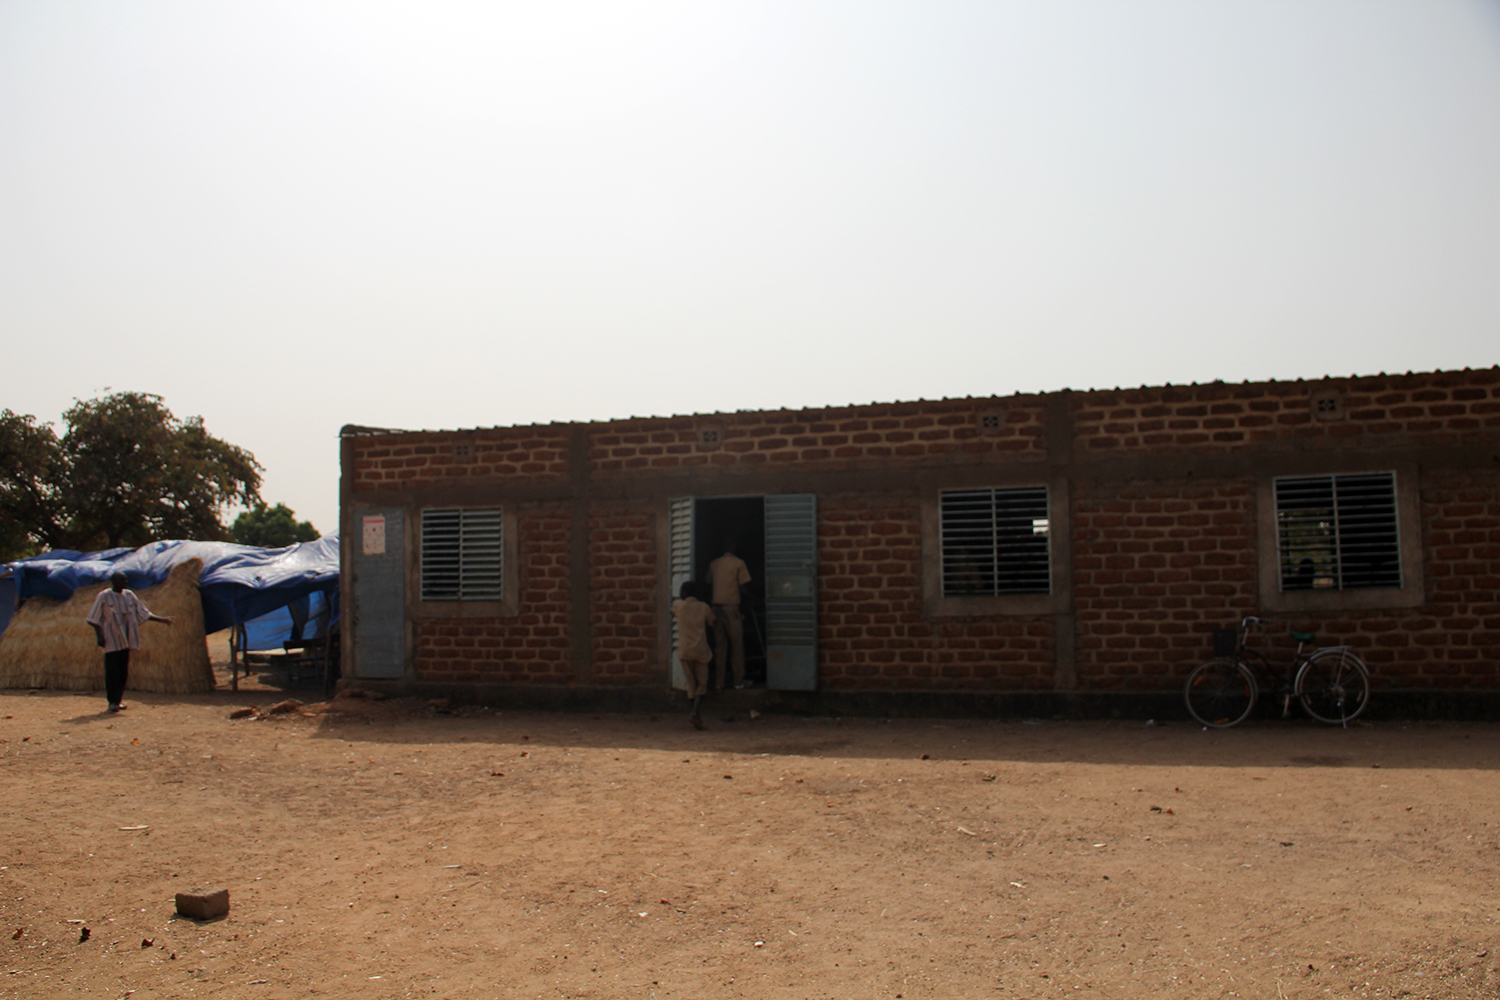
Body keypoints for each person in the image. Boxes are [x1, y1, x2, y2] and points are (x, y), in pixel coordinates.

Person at [85, 571, 173, 713]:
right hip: (111, 639)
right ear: (113, 582)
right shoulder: (104, 596)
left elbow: (143, 612)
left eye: (125, 580)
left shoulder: (129, 595)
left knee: (122, 672)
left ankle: (118, 700)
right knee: (112, 671)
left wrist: (162, 619)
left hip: (126, 639)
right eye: (121, 580)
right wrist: (99, 636)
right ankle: (112, 701)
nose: (124, 583)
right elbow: (93, 619)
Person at [670, 580, 716, 729]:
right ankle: (695, 712)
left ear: (683, 593)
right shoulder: (704, 607)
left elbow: (673, 611)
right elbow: (712, 622)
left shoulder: (679, 605)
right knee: (702, 684)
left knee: (690, 685)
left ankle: (694, 713)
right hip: (700, 650)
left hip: (685, 651)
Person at [709, 539, 752, 689]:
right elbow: (743, 587)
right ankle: (738, 681)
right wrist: (752, 598)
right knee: (737, 646)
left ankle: (718, 683)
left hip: (716, 609)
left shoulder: (714, 564)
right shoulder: (739, 563)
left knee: (720, 647)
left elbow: (708, 582)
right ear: (733, 548)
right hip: (732, 609)